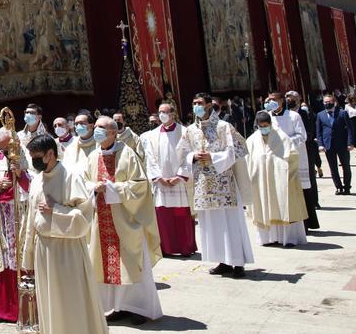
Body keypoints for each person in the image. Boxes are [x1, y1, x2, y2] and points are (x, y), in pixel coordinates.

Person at [20, 134, 108, 334]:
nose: (34, 160)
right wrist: (29, 255)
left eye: (37, 156)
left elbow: (85, 218)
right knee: (49, 300)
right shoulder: (36, 181)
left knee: (71, 299)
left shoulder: (71, 176)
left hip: (67, 250)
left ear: (51, 153)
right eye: (32, 156)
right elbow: (31, 221)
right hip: (44, 250)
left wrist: (57, 209)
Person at [85, 117, 163, 325]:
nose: (96, 131)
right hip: (101, 220)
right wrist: (93, 188)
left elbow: (140, 186)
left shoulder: (128, 154)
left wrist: (111, 188)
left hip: (126, 219)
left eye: (101, 128)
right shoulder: (93, 156)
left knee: (131, 264)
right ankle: (118, 306)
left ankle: (138, 307)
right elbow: (85, 182)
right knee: (107, 265)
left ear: (113, 133)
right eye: (96, 127)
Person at [177, 93, 254, 278]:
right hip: (203, 184)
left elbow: (240, 148)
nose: (196, 106)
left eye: (200, 103)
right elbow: (181, 152)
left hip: (224, 183)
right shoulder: (189, 131)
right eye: (194, 103)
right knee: (213, 225)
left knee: (231, 224)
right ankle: (223, 261)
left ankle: (238, 263)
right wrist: (192, 157)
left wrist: (214, 157)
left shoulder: (223, 127)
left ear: (209, 106)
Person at [0, 128, 30, 323]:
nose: (4, 152)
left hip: (21, 214)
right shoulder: (0, 156)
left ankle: (24, 309)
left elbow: (37, 182)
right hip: (3, 216)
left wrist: (21, 175)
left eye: (6, 148)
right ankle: (4, 310)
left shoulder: (25, 154)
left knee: (21, 259)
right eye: (1, 148)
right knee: (6, 258)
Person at [140, 102, 196, 257]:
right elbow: (149, 158)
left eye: (165, 112)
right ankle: (167, 247)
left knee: (182, 215)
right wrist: (158, 177)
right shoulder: (151, 135)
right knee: (163, 216)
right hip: (161, 181)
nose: (162, 115)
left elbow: (189, 156)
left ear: (173, 114)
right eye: (160, 112)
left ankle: (186, 247)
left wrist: (179, 176)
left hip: (180, 181)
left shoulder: (185, 132)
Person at [245, 111, 308, 247]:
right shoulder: (251, 141)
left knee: (283, 205)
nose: (263, 128)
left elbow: (293, 156)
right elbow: (248, 160)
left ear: (270, 124)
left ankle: (289, 238)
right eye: (260, 126)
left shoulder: (282, 137)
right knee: (264, 206)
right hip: (261, 182)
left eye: (266, 125)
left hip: (281, 180)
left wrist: (284, 170)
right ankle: (267, 238)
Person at [268, 92, 319, 229]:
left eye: (274, 100)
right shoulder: (267, 117)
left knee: (299, 190)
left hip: (294, 157)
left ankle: (305, 223)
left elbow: (301, 136)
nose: (271, 102)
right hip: (276, 159)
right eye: (269, 100)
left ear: (281, 101)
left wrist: (285, 142)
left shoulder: (293, 116)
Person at [316, 92, 353, 194]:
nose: (327, 103)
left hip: (342, 144)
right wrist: (320, 144)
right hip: (328, 145)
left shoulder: (342, 113)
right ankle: (338, 186)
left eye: (329, 102)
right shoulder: (320, 115)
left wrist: (350, 143)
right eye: (325, 102)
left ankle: (347, 186)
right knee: (333, 168)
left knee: (346, 166)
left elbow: (350, 129)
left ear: (334, 102)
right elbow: (319, 131)